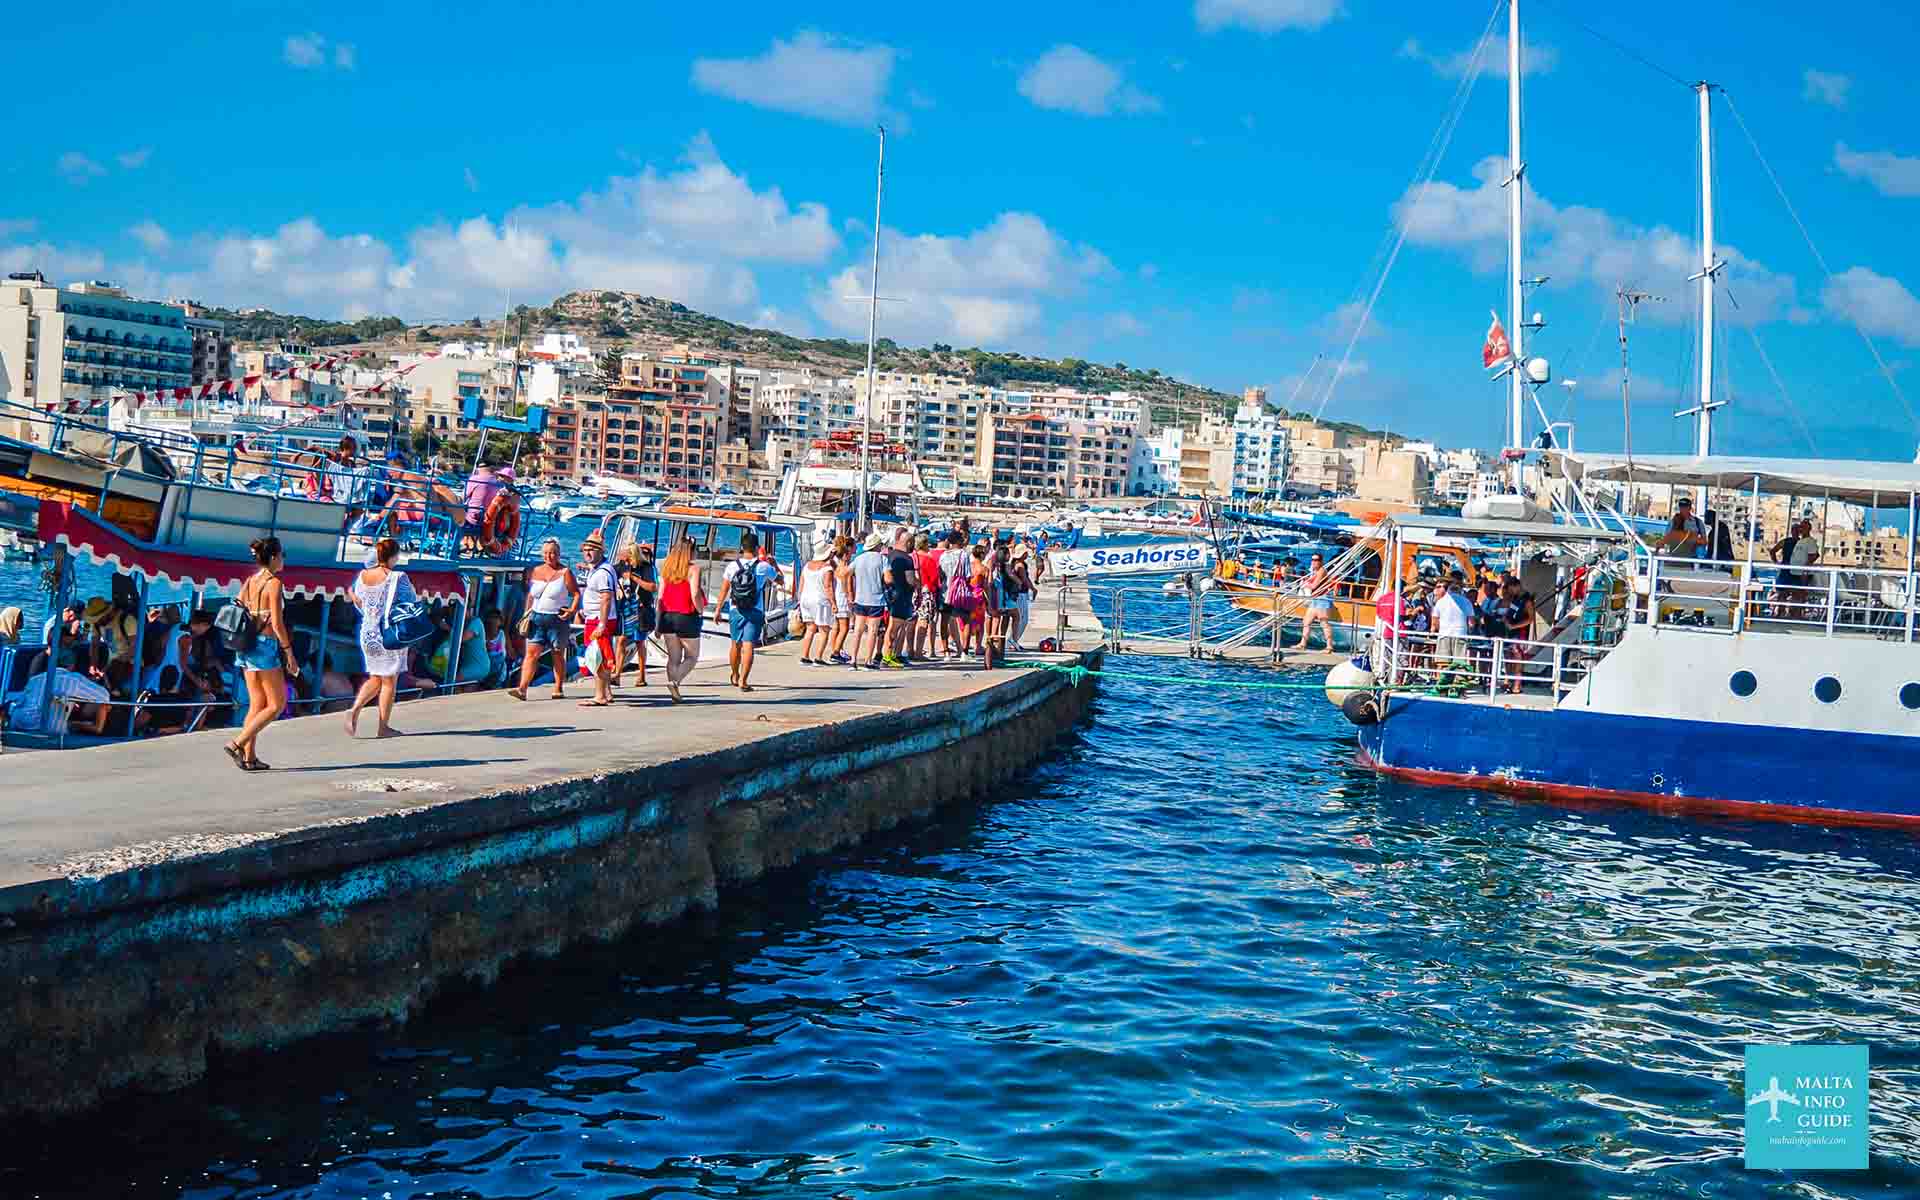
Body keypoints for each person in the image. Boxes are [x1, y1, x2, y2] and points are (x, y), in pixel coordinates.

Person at [225, 536, 298, 771]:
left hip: (246, 645)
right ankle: (237, 743)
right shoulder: (274, 583)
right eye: (282, 555)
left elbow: (239, 607)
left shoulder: (250, 581)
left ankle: (249, 758)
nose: (283, 559)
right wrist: (289, 653)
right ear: (275, 557)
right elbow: (277, 624)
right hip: (265, 646)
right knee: (277, 704)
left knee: (257, 705)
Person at [345, 537, 409, 738]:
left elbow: (359, 603)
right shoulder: (398, 577)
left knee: (376, 677)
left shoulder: (363, 576)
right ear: (393, 557)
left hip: (368, 632)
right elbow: (411, 601)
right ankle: (383, 727)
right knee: (389, 681)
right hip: (388, 633)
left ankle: (354, 709)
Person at [509, 537, 579, 702]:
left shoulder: (565, 573)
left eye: (553, 553)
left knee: (557, 654)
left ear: (559, 554)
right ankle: (522, 689)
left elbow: (576, 593)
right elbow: (531, 596)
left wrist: (572, 610)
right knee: (531, 655)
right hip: (537, 618)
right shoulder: (535, 571)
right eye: (546, 553)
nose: (549, 556)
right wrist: (526, 614)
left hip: (557, 619)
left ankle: (558, 687)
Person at [720, 530, 780, 691]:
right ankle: (744, 681)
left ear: (742, 547)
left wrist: (718, 610)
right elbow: (780, 580)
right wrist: (773, 564)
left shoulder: (732, 566)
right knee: (748, 646)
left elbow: (724, 590)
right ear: (756, 548)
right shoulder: (763, 567)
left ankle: (734, 674)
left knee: (735, 644)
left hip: (735, 609)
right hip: (755, 610)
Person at [657, 536, 708, 702]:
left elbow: (660, 596)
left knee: (673, 658)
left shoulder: (667, 568)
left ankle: (675, 692)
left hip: (667, 616)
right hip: (686, 616)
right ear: (690, 551)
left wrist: (658, 622)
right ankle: (674, 682)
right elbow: (694, 593)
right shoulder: (693, 569)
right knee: (692, 657)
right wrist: (700, 610)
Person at [576, 529, 617, 707]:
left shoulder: (602, 573)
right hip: (596, 618)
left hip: (599, 620)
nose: (588, 552)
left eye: (592, 549)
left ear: (601, 551)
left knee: (596, 658)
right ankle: (607, 692)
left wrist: (601, 623)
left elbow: (606, 597)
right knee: (601, 655)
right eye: (586, 549)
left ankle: (599, 695)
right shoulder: (600, 569)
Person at [613, 542, 657, 687]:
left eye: (623, 552)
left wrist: (633, 578)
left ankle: (642, 675)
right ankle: (617, 673)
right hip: (626, 609)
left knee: (639, 642)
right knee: (621, 640)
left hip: (641, 609)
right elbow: (609, 573)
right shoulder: (620, 566)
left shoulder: (645, 567)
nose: (620, 554)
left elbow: (652, 587)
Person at [849, 531, 889, 670]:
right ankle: (868, 661)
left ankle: (853, 660)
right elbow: (888, 579)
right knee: (872, 630)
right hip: (876, 599)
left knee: (858, 630)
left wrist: (850, 592)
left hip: (860, 598)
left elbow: (847, 573)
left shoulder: (858, 559)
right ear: (877, 545)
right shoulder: (882, 559)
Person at [880, 528, 918, 668]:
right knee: (894, 627)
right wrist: (918, 584)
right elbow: (911, 581)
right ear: (908, 543)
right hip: (901, 596)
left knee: (889, 627)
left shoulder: (890, 555)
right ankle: (888, 656)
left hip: (888, 595)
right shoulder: (907, 559)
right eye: (912, 543)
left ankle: (886, 654)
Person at [797, 538, 837, 665]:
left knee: (810, 628)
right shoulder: (827, 569)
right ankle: (818, 658)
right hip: (820, 600)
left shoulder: (807, 566)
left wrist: (799, 601)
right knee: (824, 629)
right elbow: (828, 587)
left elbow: (801, 585)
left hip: (805, 599)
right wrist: (834, 603)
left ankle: (805, 656)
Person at [1430, 576, 1475, 689]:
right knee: (1459, 662)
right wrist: (1469, 631)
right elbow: (1471, 622)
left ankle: (1442, 685)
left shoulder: (1440, 602)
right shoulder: (1466, 601)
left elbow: (1435, 622)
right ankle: (1458, 685)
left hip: (1444, 634)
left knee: (1443, 662)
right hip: (1460, 633)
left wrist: (1442, 629)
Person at [1292, 553, 1337, 652]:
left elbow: (1314, 586)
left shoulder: (1322, 571)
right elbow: (1311, 581)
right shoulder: (1315, 571)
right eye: (1312, 559)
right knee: (1306, 622)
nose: (1313, 562)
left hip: (1322, 599)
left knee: (1324, 623)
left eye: (1316, 560)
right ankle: (1302, 644)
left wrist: (1306, 584)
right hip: (1315, 599)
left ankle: (1329, 647)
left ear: (1321, 561)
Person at [937, 529, 971, 657]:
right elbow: (967, 575)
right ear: (958, 541)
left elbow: (940, 575)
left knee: (944, 621)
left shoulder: (943, 555)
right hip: (960, 592)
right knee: (966, 620)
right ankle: (964, 652)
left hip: (946, 592)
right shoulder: (963, 555)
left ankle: (946, 652)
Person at [911, 532, 942, 660]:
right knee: (924, 621)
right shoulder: (929, 559)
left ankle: (910, 650)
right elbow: (935, 579)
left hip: (912, 591)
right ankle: (918, 651)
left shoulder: (912, 557)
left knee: (911, 622)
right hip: (926, 591)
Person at [460, 460, 503, 552]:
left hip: (474, 517)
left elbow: (463, 497)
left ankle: (464, 543)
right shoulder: (498, 482)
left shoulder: (474, 479)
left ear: (478, 468)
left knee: (455, 515)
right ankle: (475, 545)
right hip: (491, 519)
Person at [828, 534, 856, 665]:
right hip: (843, 599)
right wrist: (851, 600)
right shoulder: (847, 569)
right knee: (844, 628)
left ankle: (835, 649)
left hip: (836, 598)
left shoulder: (835, 567)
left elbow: (830, 560)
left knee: (836, 627)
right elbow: (848, 587)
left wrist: (832, 554)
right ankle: (836, 652)